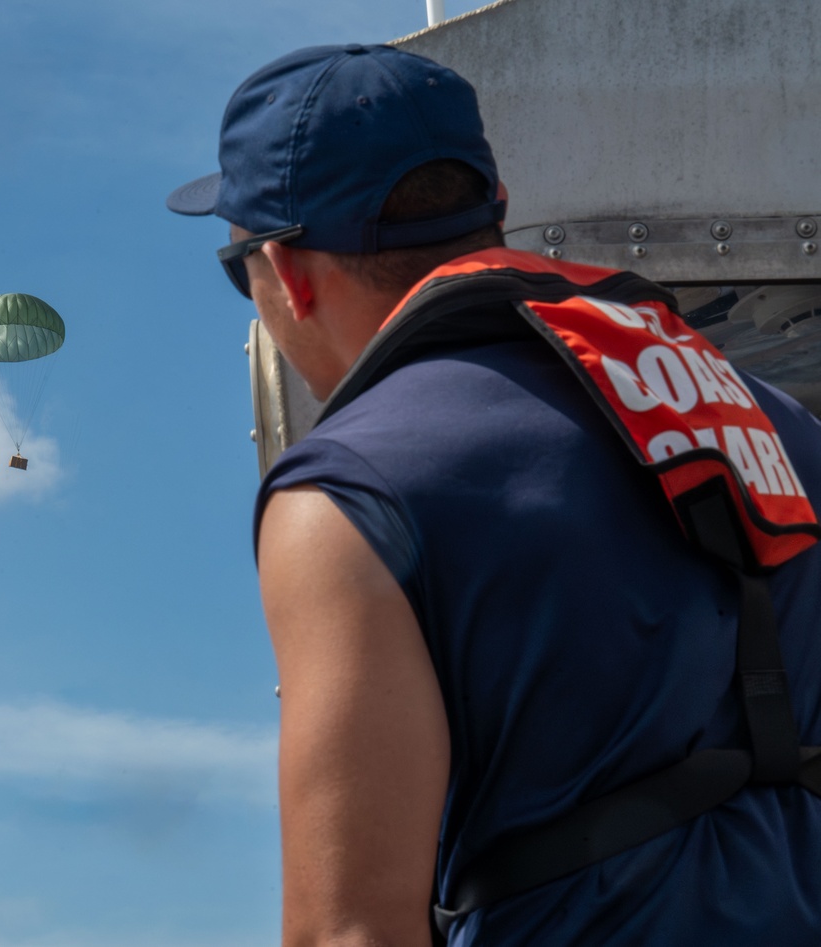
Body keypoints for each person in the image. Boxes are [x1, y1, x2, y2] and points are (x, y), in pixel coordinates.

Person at [167, 43, 821, 947]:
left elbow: (348, 931)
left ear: (285, 273)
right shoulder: (781, 423)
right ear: (497, 210)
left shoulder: (349, 493)